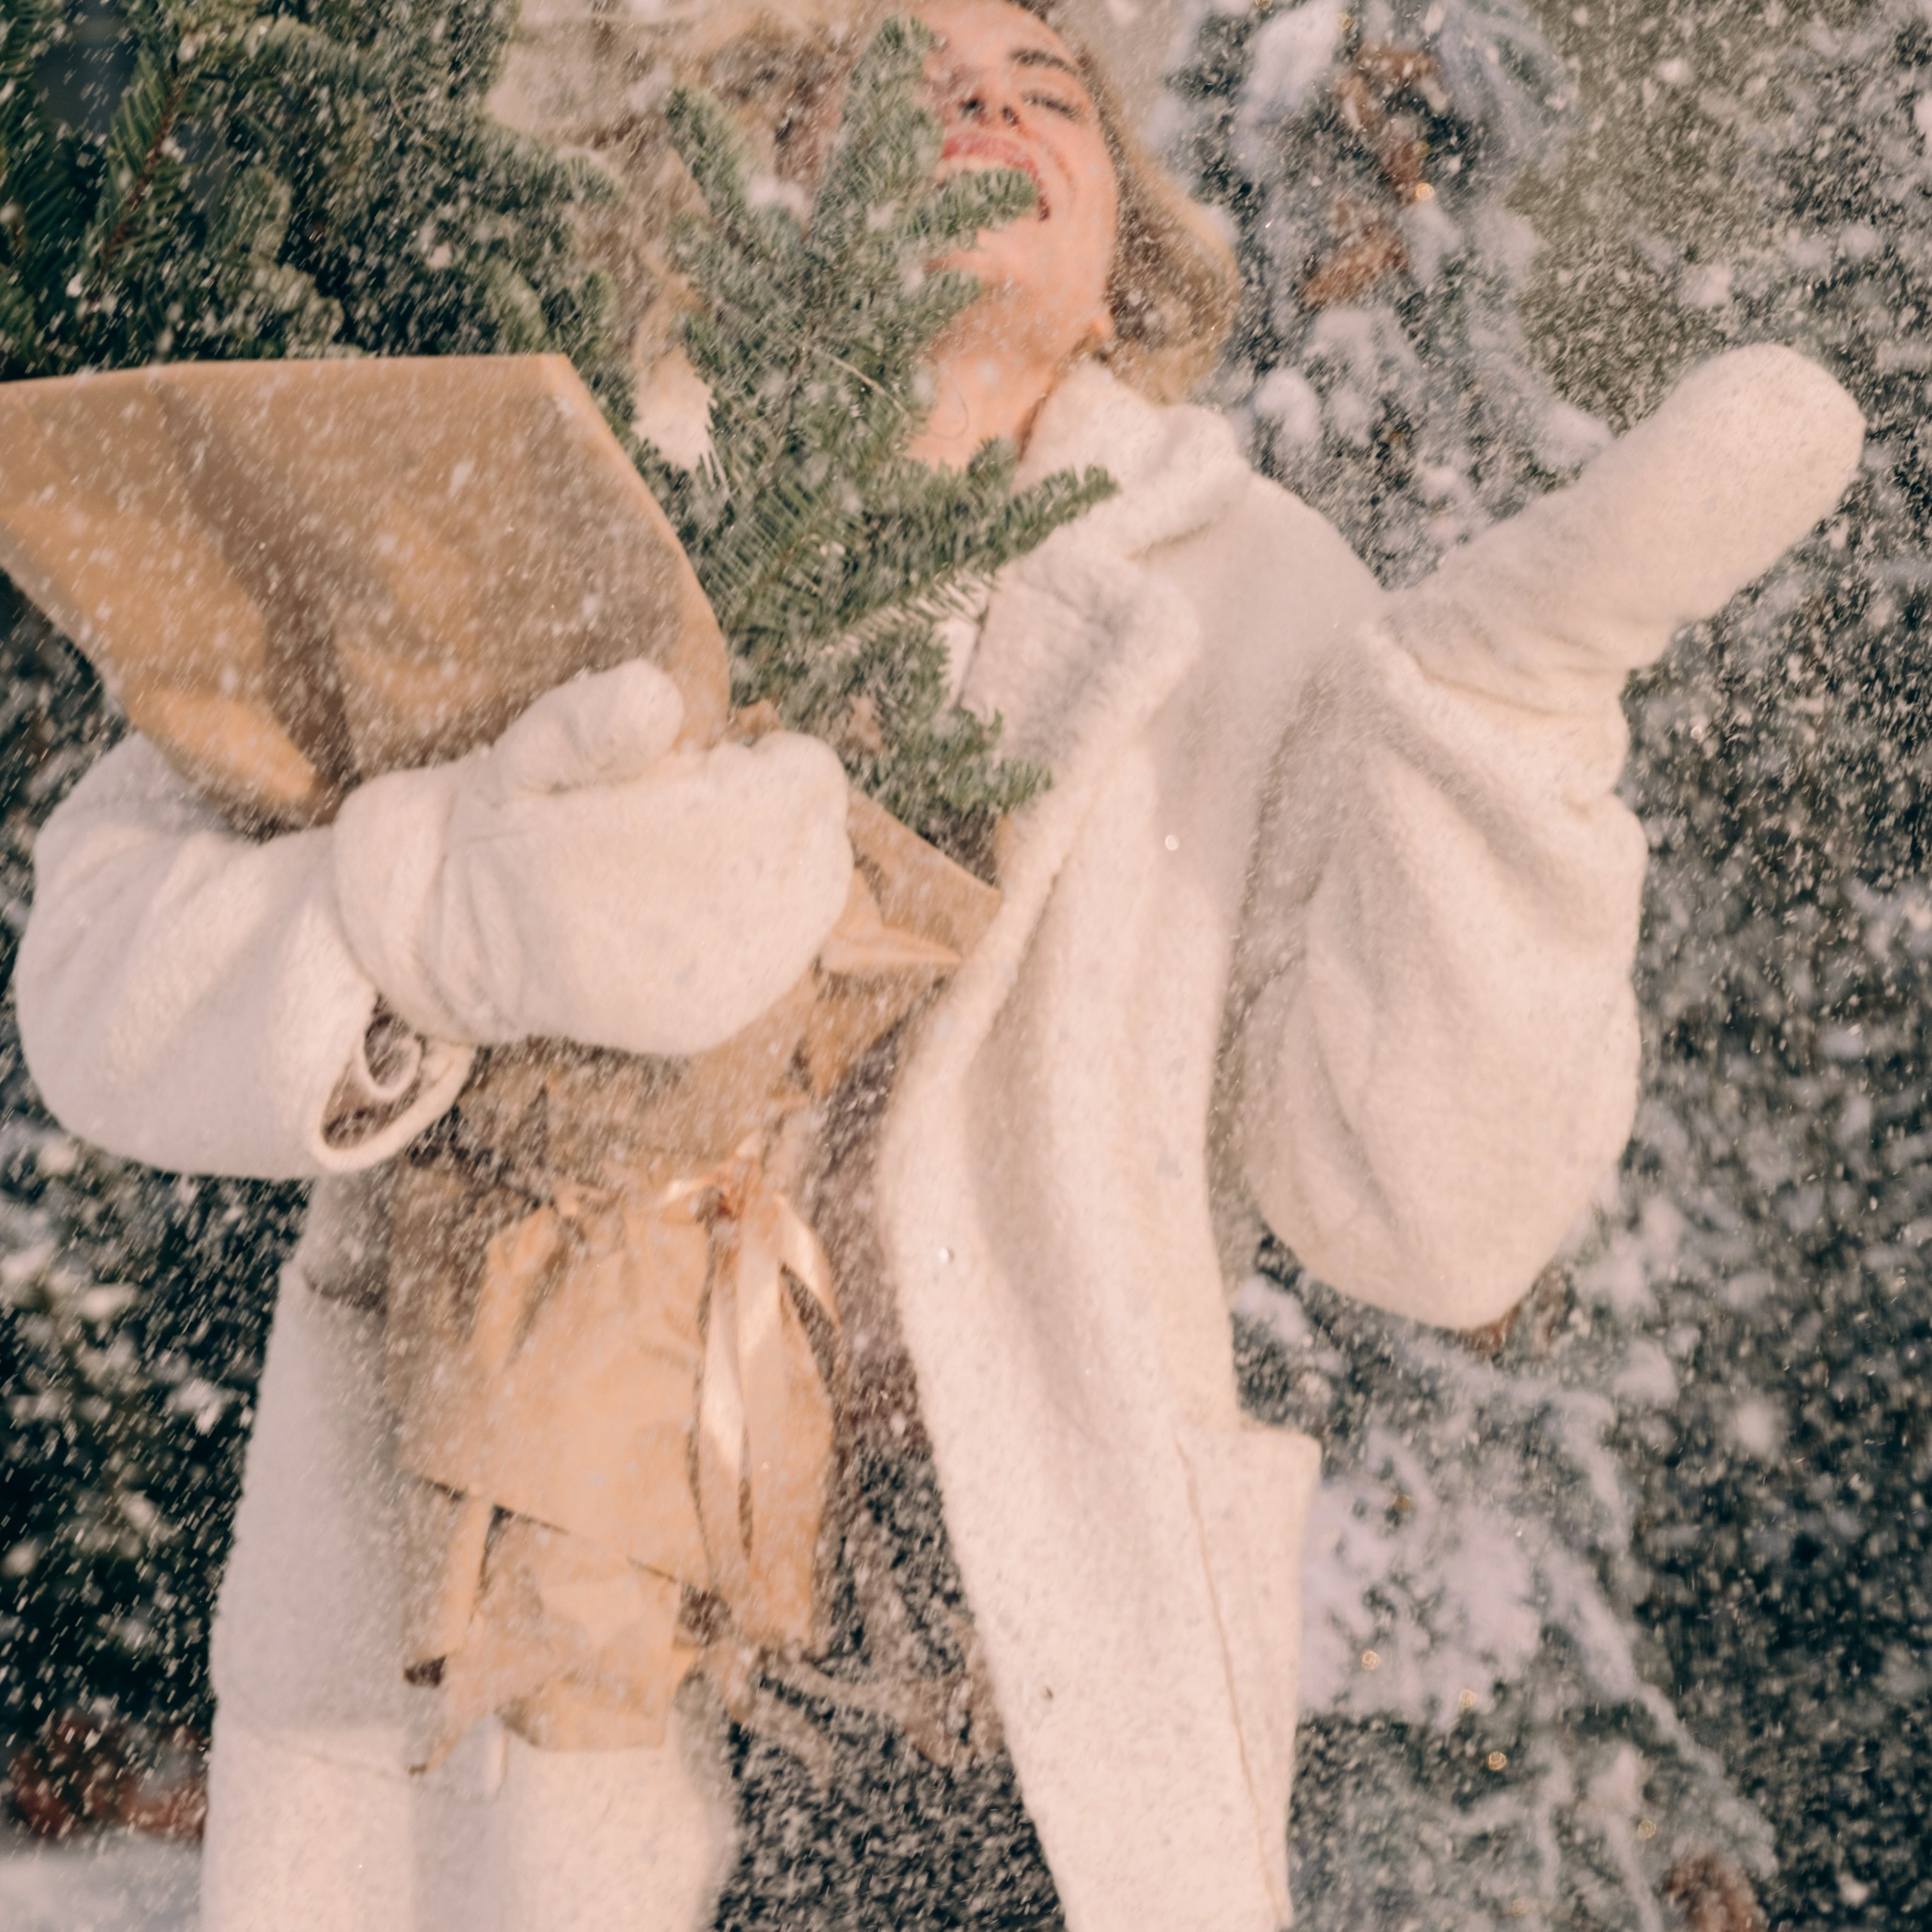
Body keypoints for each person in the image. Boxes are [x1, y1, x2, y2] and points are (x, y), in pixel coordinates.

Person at [13, 3, 1863, 1929]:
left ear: (1121, 243)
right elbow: (98, 977)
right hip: (526, 1653)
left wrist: (1498, 735)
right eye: (915, 82)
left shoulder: (1259, 602)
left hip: (1018, 1702)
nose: (988, 104)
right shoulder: (506, 495)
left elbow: (1431, 1214)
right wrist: (446, 907)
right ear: (759, 181)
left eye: (1046, 89)